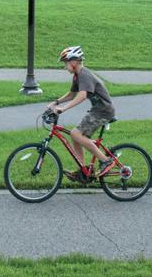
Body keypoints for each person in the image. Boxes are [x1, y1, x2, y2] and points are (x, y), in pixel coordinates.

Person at [48, 46, 117, 181]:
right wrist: (56, 102)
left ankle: (105, 161)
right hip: (97, 110)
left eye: (66, 63)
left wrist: (63, 109)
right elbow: (72, 94)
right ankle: (83, 170)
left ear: (74, 62)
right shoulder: (77, 76)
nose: (65, 66)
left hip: (103, 111)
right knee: (76, 136)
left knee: (75, 134)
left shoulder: (84, 75)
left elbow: (82, 95)